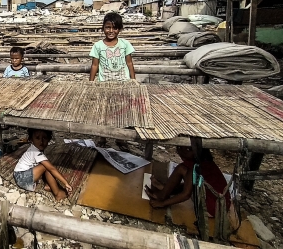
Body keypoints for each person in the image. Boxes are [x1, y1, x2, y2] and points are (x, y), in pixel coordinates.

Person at [89, 13, 136, 150]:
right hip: (105, 84)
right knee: (104, 111)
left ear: (119, 29)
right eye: (108, 27)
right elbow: (94, 66)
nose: (111, 31)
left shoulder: (125, 44)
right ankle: (102, 137)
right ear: (103, 28)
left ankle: (120, 138)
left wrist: (133, 80)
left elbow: (130, 63)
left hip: (123, 83)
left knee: (122, 111)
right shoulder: (98, 46)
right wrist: (91, 83)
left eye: (115, 28)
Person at [145, 146, 231, 217]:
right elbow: (192, 183)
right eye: (178, 148)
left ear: (191, 150)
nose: (178, 151)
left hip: (212, 209)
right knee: (183, 170)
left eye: (181, 148)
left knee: (181, 169)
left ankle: (162, 195)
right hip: (222, 207)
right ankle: (165, 190)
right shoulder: (205, 160)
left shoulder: (195, 166)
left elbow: (186, 195)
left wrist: (162, 203)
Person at [13, 129, 73, 201]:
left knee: (46, 165)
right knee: (47, 166)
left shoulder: (35, 149)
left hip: (20, 175)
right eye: (37, 138)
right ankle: (58, 194)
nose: (41, 141)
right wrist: (66, 183)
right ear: (31, 139)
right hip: (22, 177)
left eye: (44, 138)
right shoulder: (35, 152)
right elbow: (51, 168)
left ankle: (48, 185)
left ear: (49, 139)